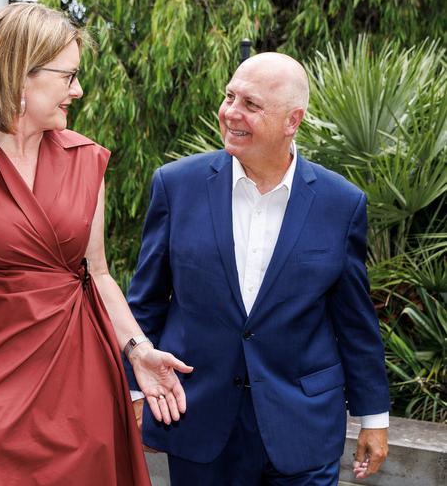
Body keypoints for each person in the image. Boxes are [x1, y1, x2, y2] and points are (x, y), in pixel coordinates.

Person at [0, 3, 192, 485]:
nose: (78, 91)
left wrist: (138, 351)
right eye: (68, 77)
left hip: (79, 376)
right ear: (19, 74)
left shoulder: (87, 159)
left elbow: (98, 273)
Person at [125, 52, 390, 485]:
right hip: (197, 420)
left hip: (303, 429)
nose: (231, 112)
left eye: (250, 104)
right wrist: (136, 390)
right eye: (230, 96)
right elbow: (145, 302)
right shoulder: (175, 185)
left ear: (293, 120)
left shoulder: (340, 203)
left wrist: (374, 417)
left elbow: (355, 321)